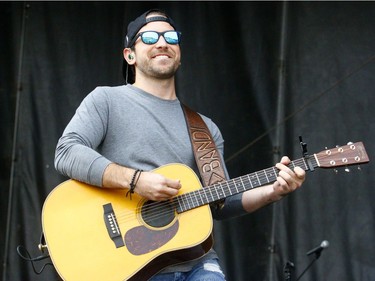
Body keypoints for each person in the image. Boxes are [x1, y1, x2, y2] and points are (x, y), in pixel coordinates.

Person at [54, 8, 306, 281]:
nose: (162, 43)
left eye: (171, 37)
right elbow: (67, 152)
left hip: (196, 261)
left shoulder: (205, 129)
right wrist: (135, 180)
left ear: (179, 52)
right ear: (130, 55)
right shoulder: (105, 100)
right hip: (131, 265)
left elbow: (221, 202)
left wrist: (273, 191)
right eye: (149, 38)